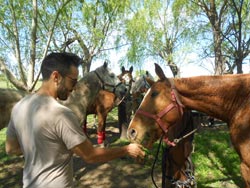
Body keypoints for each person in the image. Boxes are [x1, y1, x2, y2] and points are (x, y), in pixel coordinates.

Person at [5, 52, 145, 188]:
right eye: (73, 81)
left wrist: (41, 148)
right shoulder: (61, 113)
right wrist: (126, 149)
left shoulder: (19, 106)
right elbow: (90, 155)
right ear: (56, 77)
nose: (75, 87)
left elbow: (11, 149)